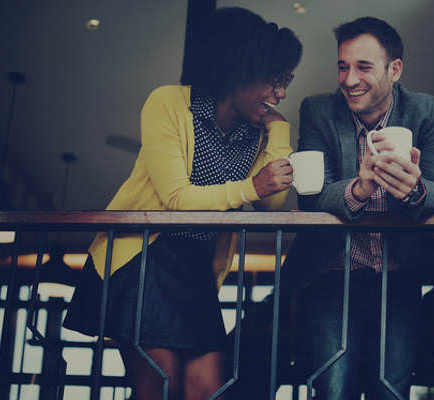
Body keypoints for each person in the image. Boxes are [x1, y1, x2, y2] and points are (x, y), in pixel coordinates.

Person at [64, 7, 302, 400]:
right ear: (240, 71)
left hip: (196, 265)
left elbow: (271, 202)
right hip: (145, 256)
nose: (281, 93)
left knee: (206, 389)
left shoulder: (256, 129)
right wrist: (248, 188)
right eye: (275, 81)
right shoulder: (169, 104)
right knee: (160, 386)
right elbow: (175, 198)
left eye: (285, 81)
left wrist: (279, 129)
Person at [281, 17, 434, 399]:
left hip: (400, 278)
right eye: (343, 66)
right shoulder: (318, 110)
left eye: (363, 67)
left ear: (395, 70)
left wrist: (414, 190)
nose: (349, 78)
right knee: (332, 391)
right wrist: (359, 187)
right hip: (331, 276)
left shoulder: (424, 110)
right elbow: (311, 197)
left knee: (390, 391)